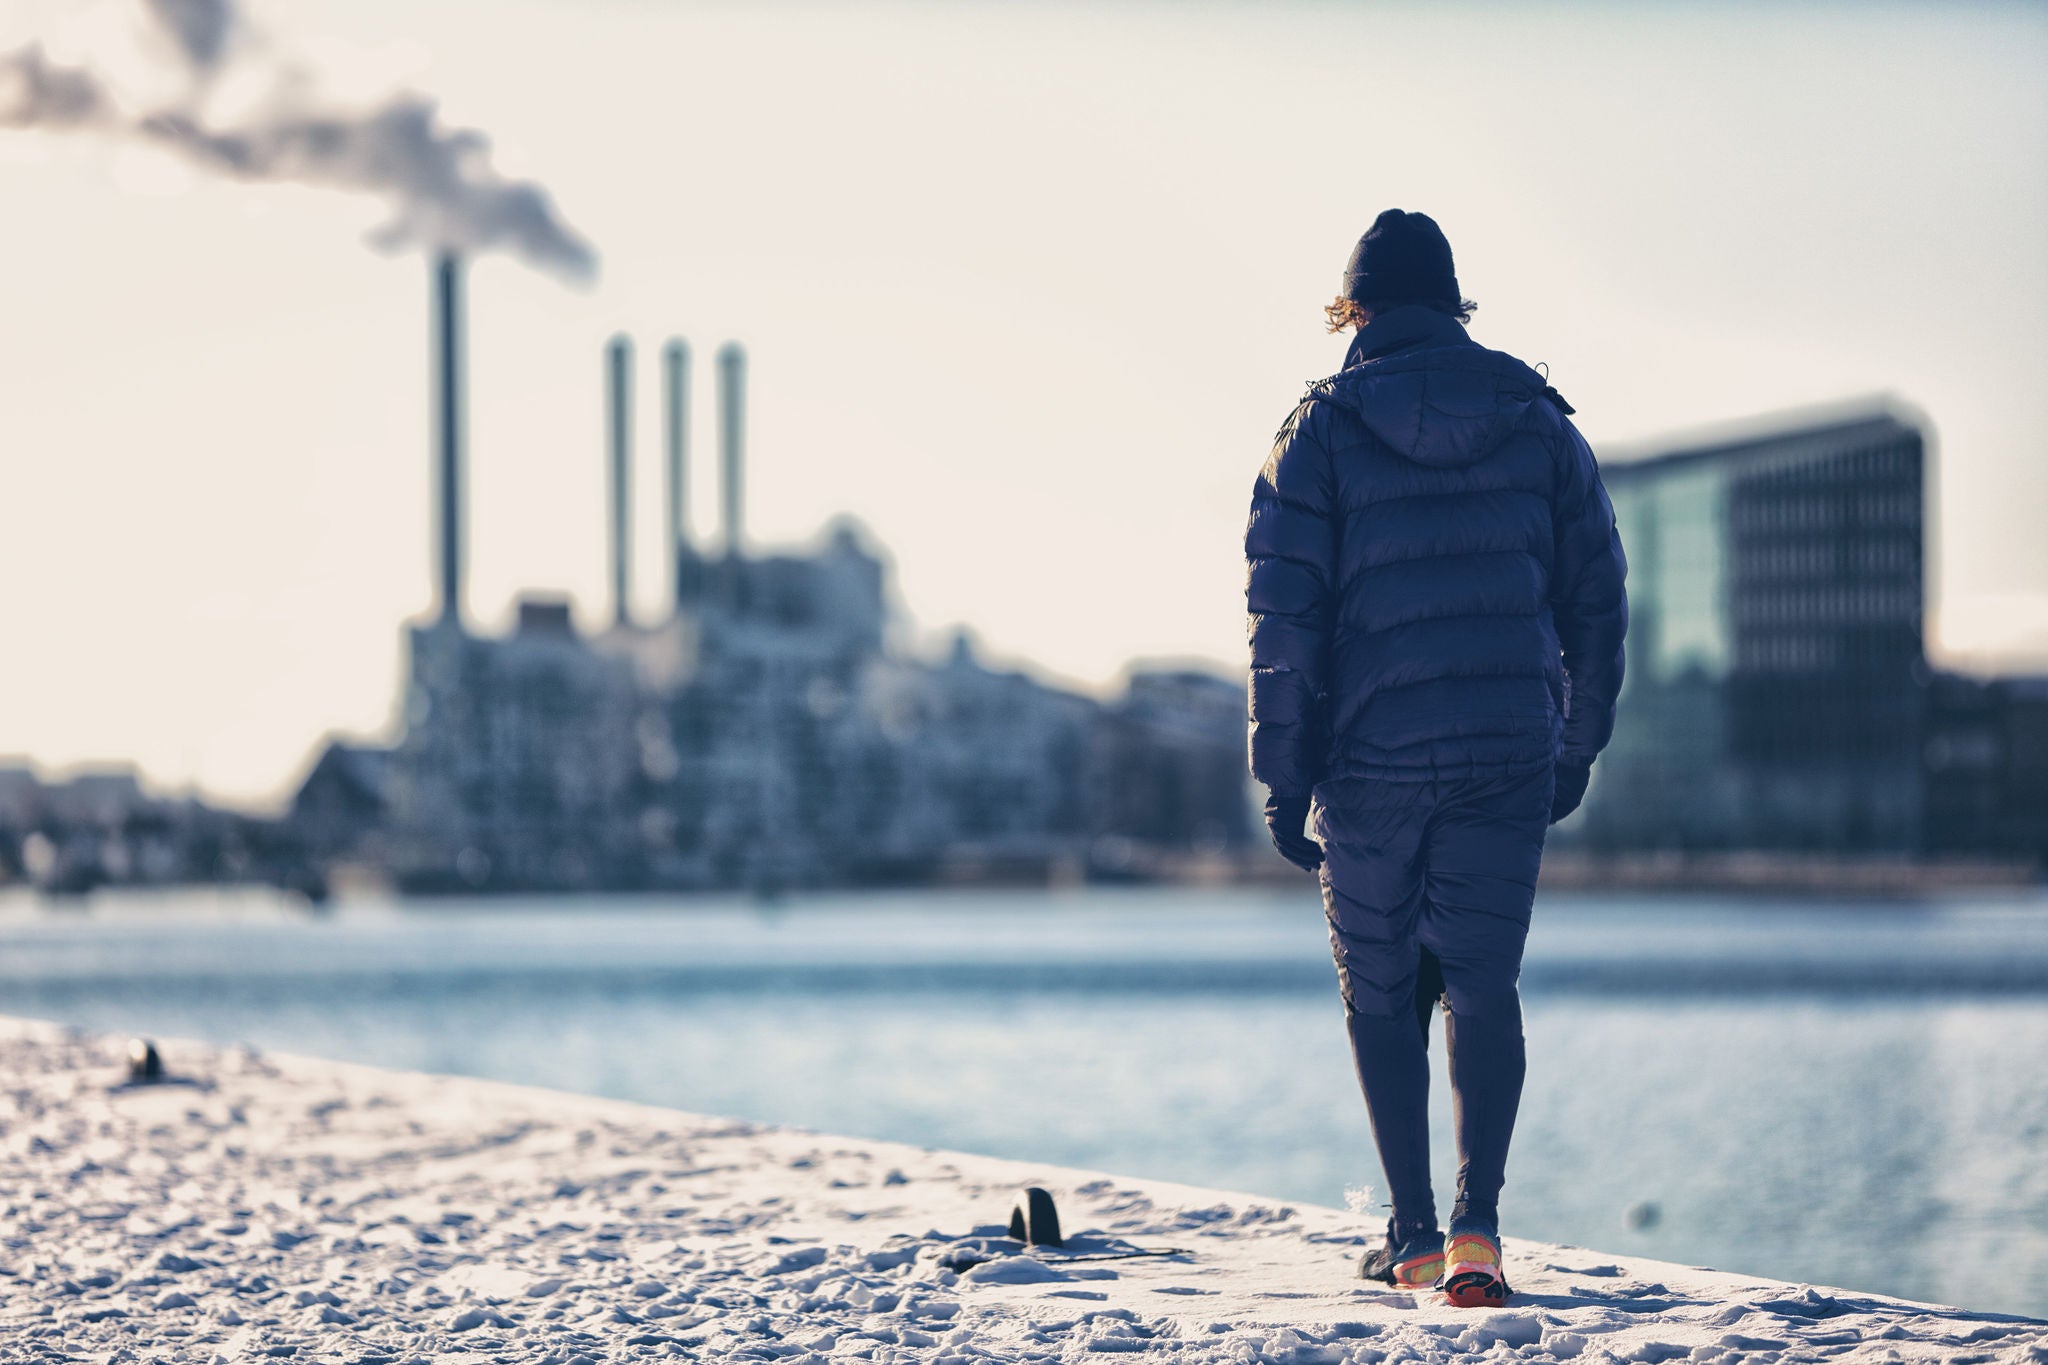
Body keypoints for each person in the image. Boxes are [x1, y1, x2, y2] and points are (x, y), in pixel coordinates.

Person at [1243, 209, 1627, 1307]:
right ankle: (1477, 1233)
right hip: (1506, 746)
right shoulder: (1536, 421)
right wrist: (1575, 746)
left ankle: (1409, 1237)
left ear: (1353, 309)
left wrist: (1283, 774)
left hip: (1366, 759)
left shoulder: (1313, 431)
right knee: (1480, 981)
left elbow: (1285, 619)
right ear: (1452, 302)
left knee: (1377, 989)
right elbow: (1595, 599)